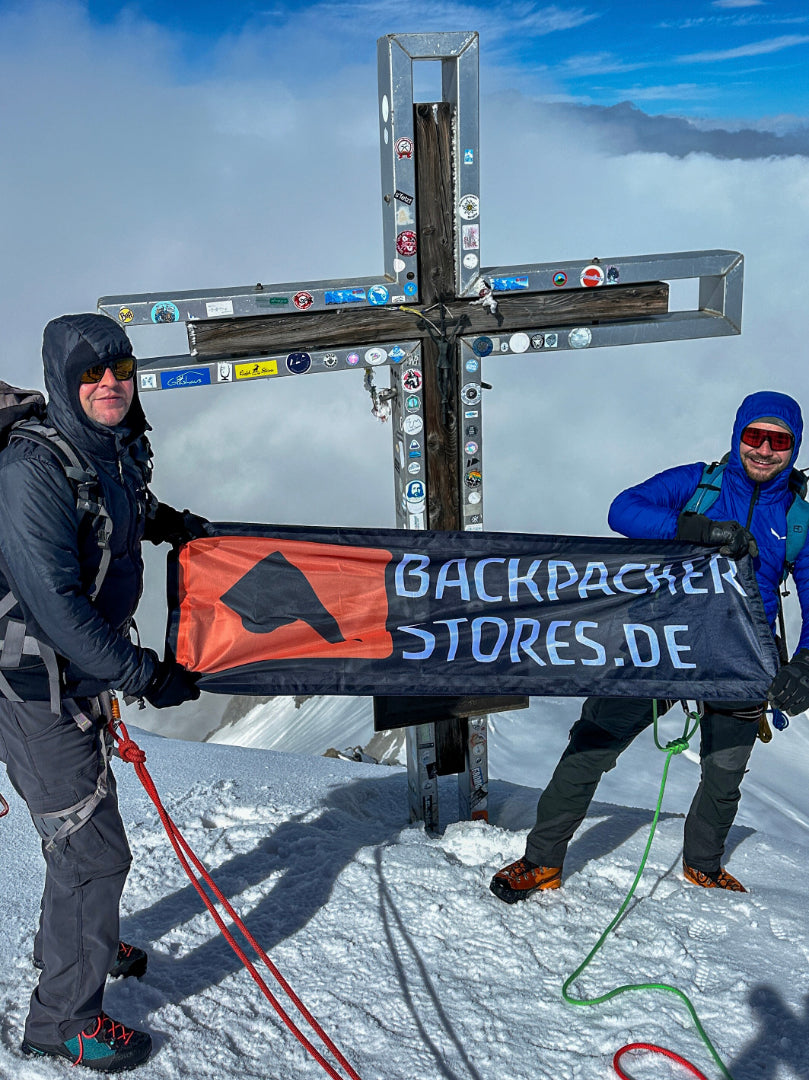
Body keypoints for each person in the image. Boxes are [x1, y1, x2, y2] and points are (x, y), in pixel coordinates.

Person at [491, 390, 809, 904]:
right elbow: (623, 510)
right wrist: (694, 529)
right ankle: (541, 861)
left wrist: (807, 663)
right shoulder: (697, 485)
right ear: (738, 435)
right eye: (755, 436)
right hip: (661, 640)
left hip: (740, 655)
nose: (765, 450)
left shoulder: (798, 518)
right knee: (591, 746)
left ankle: (703, 866)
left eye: (779, 441)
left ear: (793, 448)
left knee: (724, 773)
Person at [0, 314, 207, 1070]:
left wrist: (165, 522)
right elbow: (55, 605)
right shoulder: (30, 469)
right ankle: (62, 1020)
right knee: (92, 849)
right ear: (63, 379)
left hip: (74, 675)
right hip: (33, 682)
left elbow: (113, 509)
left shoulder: (113, 445)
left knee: (83, 837)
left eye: (118, 368)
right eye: (91, 374)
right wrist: (142, 672)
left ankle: (75, 939)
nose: (110, 384)